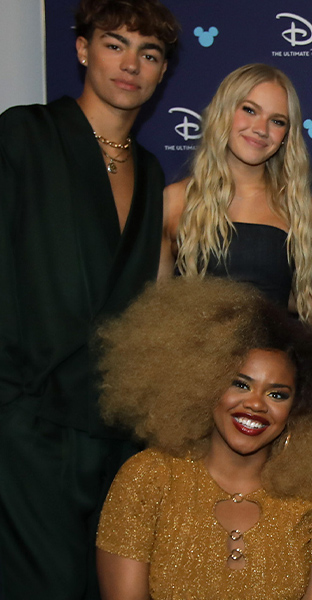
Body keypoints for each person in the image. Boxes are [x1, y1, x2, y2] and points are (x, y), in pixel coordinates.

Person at [0, 0, 179, 596]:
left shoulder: (152, 173)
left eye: (148, 53)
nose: (131, 64)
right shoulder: (25, 134)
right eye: (115, 44)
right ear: (82, 49)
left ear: (161, 73)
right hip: (29, 422)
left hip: (112, 433)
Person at [94, 278, 312, 600]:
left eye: (277, 394)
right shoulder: (148, 477)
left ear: (300, 409)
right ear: (203, 385)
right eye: (240, 384)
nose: (255, 403)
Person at [161, 63, 312, 327]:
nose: (261, 129)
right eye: (249, 110)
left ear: (287, 135)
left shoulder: (301, 210)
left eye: (277, 121)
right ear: (224, 112)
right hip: (190, 364)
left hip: (270, 364)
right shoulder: (175, 200)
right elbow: (153, 311)